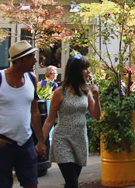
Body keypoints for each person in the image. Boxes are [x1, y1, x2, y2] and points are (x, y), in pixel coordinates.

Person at [0, 40, 47, 188]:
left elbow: (34, 111)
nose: (35, 60)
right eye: (31, 57)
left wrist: (40, 141)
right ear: (20, 60)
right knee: (4, 184)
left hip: (26, 142)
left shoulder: (31, 79)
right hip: (4, 144)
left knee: (31, 184)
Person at [42, 54, 100, 188]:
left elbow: (96, 115)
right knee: (72, 182)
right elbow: (50, 120)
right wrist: (41, 142)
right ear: (76, 71)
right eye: (84, 68)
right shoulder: (60, 92)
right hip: (63, 140)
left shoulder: (86, 91)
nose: (88, 72)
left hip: (80, 139)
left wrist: (97, 97)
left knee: (71, 182)